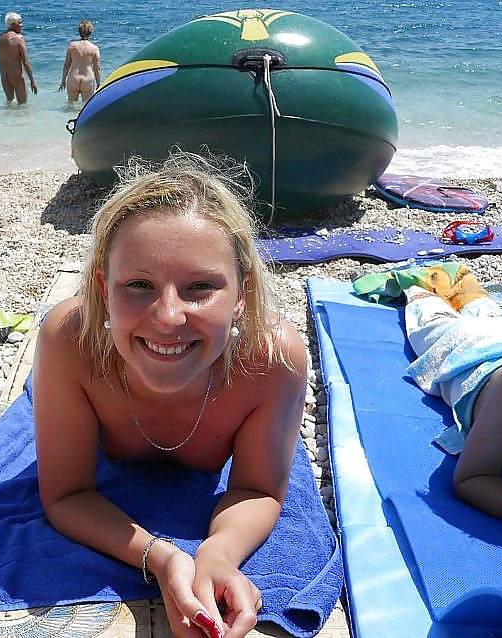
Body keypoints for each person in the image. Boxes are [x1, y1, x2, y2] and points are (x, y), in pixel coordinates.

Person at [32, 151, 307, 638]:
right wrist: (161, 559)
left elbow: (259, 489)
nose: (168, 317)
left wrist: (217, 556)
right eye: (139, 285)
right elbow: (67, 494)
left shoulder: (271, 360)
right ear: (104, 288)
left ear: (242, 294)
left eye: (200, 287)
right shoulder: (71, 342)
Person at [401, 256, 502, 545]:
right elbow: (471, 478)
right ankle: (423, 283)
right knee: (433, 323)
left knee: (489, 314)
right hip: (472, 350)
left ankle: (473, 293)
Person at [0, 12, 37, 104]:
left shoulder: (0, 38)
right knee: (22, 104)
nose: (22, 25)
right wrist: (32, 81)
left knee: (9, 103)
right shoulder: (19, 38)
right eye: (20, 23)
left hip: (4, 76)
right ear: (13, 24)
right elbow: (25, 62)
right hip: (16, 75)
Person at [59, 19, 101, 104]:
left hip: (73, 79)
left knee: (70, 106)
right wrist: (98, 84)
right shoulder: (94, 48)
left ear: (79, 31)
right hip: (87, 80)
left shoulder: (72, 46)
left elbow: (66, 65)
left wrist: (63, 80)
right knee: (86, 107)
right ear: (90, 32)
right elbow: (97, 69)